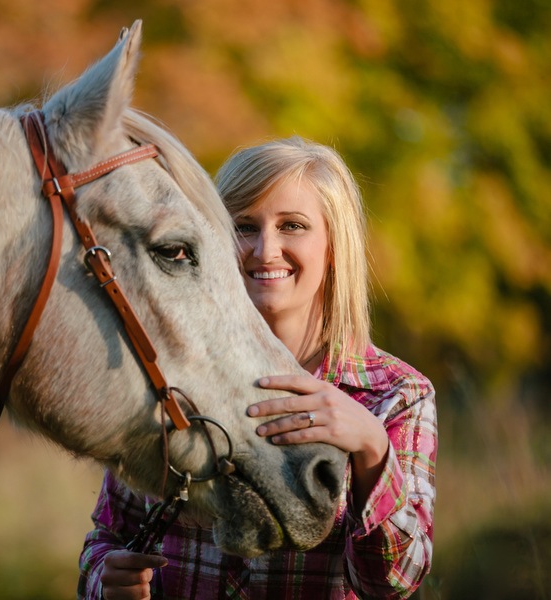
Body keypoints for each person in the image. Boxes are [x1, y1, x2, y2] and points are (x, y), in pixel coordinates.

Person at [77, 136, 437, 599]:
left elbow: (395, 583)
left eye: (293, 225)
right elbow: (106, 538)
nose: (265, 248)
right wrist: (105, 580)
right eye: (244, 226)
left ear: (333, 245)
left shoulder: (397, 394)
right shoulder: (166, 376)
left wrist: (371, 449)